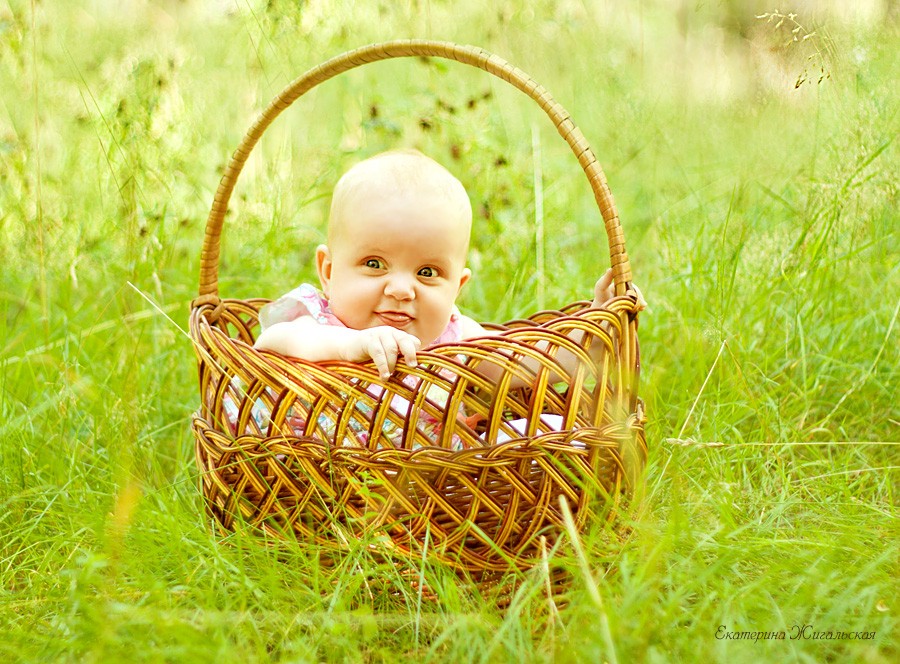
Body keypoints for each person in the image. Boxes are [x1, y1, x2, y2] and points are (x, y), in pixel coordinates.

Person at [254, 149, 627, 381]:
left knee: (536, 432)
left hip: (433, 487)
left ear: (457, 288)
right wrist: (352, 344)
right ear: (329, 272)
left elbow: (520, 363)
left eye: (427, 273)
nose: (401, 289)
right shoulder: (319, 323)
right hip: (322, 476)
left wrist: (586, 341)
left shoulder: (453, 336)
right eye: (374, 263)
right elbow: (272, 343)